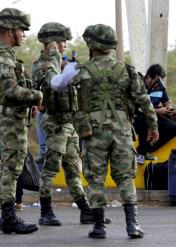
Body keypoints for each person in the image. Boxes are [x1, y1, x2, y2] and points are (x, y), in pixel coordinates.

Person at [51, 24, 158, 239]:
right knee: (126, 177)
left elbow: (57, 86)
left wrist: (62, 65)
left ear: (91, 44)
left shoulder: (81, 71)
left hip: (93, 132)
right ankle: (132, 225)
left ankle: (99, 227)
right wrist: (153, 126)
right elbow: (144, 101)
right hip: (122, 130)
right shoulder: (127, 71)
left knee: (96, 178)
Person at [32, 22, 107, 226]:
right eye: (61, 42)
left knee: (74, 168)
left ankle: (85, 210)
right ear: (52, 43)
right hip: (54, 123)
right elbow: (52, 83)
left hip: (70, 123)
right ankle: (45, 211)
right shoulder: (43, 65)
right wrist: (58, 61)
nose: (64, 45)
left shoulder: (63, 64)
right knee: (51, 168)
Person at [0, 7, 42, 234]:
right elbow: (10, 91)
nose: (24, 35)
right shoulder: (3, 57)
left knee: (9, 169)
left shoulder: (9, 57)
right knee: (10, 169)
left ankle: (6, 216)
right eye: (21, 30)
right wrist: (36, 96)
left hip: (13, 121)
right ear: (9, 31)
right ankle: (8, 217)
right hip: (10, 123)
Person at [134, 64, 176, 163]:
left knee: (174, 128)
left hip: (155, 117)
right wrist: (158, 111)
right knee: (145, 122)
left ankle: (147, 148)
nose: (158, 83)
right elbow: (138, 108)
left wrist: (170, 108)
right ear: (149, 76)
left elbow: (167, 102)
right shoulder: (137, 85)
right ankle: (141, 153)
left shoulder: (160, 88)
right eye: (157, 80)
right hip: (138, 116)